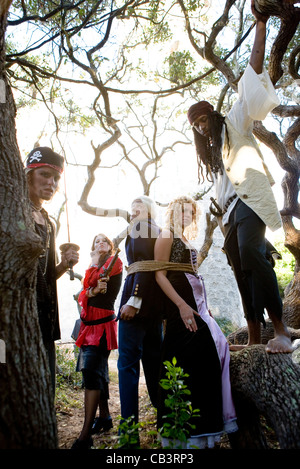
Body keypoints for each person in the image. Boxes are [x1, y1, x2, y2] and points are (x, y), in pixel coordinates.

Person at [187, 1, 293, 354]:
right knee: (238, 270)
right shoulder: (213, 155)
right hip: (228, 214)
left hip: (249, 204)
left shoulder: (234, 122)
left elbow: (252, 70)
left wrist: (259, 26)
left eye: (204, 120)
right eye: (197, 126)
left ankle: (280, 330)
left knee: (252, 253)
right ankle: (252, 335)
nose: (202, 128)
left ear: (214, 116)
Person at [154, 196, 238, 449]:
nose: (185, 215)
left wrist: (204, 308)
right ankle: (182, 435)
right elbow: (160, 275)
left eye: (190, 212)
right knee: (186, 361)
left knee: (204, 361)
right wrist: (181, 306)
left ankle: (204, 431)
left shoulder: (186, 240)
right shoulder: (166, 235)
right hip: (180, 309)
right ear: (172, 212)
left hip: (195, 307)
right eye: (181, 211)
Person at [25, 146, 79, 392]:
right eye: (45, 174)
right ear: (28, 174)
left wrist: (63, 265)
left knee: (46, 391)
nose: (52, 182)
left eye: (56, 178)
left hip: (44, 319)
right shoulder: (12, 213)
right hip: (17, 321)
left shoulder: (48, 221)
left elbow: (46, 278)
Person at [71, 233, 123, 449]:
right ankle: (105, 417)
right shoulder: (93, 266)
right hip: (87, 326)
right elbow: (84, 293)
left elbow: (96, 288)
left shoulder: (114, 263)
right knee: (96, 371)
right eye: (96, 241)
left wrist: (90, 291)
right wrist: (91, 291)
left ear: (110, 246)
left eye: (104, 241)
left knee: (91, 372)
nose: (100, 243)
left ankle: (85, 435)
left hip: (102, 326)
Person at [117, 196, 163, 428]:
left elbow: (144, 264)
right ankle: (167, 422)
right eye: (132, 210)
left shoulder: (142, 228)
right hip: (154, 310)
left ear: (150, 211)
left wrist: (134, 300)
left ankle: (129, 433)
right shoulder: (155, 229)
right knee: (155, 366)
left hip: (137, 308)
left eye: (139, 208)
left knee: (127, 367)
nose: (133, 213)